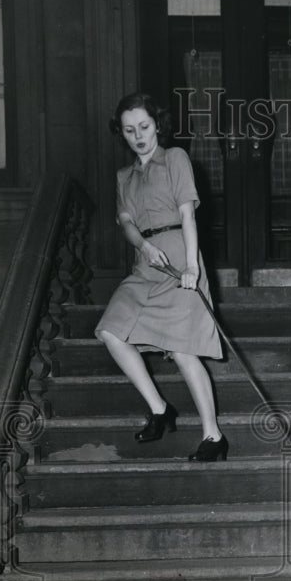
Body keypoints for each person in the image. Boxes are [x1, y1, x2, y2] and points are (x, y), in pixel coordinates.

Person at [95, 93, 227, 461]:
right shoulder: (124, 177)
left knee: (184, 352)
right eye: (129, 130)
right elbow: (126, 223)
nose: (138, 136)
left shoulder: (175, 159)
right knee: (110, 330)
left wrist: (192, 268)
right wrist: (144, 247)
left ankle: (213, 437)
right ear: (121, 133)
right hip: (146, 264)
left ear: (157, 125)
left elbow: (188, 215)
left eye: (144, 127)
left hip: (180, 258)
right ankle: (159, 408)